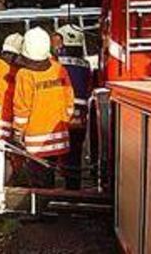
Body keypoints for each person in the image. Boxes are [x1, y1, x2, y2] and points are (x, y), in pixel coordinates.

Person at [13, 27, 74, 188]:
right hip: (59, 136)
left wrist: (18, 132)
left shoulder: (24, 74)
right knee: (50, 175)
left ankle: (41, 209)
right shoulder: (58, 68)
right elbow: (69, 99)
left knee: (40, 181)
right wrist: (65, 122)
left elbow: (22, 108)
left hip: (36, 141)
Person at [55, 25, 92, 189]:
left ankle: (62, 189)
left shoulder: (57, 64)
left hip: (62, 116)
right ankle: (74, 188)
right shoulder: (85, 64)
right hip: (80, 118)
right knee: (75, 153)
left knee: (60, 153)